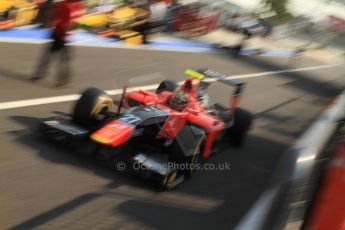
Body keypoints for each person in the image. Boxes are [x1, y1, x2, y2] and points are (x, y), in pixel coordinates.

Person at [31, 0, 84, 86]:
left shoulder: (66, 6)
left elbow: (66, 21)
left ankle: (56, 78)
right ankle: (62, 79)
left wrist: (56, 27)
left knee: (54, 57)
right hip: (62, 34)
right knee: (57, 57)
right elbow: (73, 22)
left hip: (61, 34)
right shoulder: (74, 6)